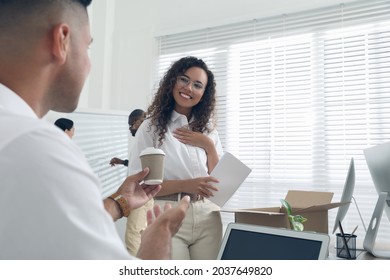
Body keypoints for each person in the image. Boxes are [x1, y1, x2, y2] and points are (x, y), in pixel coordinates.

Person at [0, 0, 189, 260]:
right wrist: (160, 237)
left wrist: (117, 204)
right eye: (88, 47)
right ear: (62, 40)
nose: (89, 64)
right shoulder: (37, 148)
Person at [128, 56, 223, 260]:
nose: (189, 88)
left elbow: (218, 180)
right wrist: (188, 184)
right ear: (173, 81)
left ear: (204, 94)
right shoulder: (150, 127)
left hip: (208, 215)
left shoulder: (209, 130)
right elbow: (141, 184)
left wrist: (208, 146)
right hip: (168, 211)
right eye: (184, 79)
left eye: (197, 85)